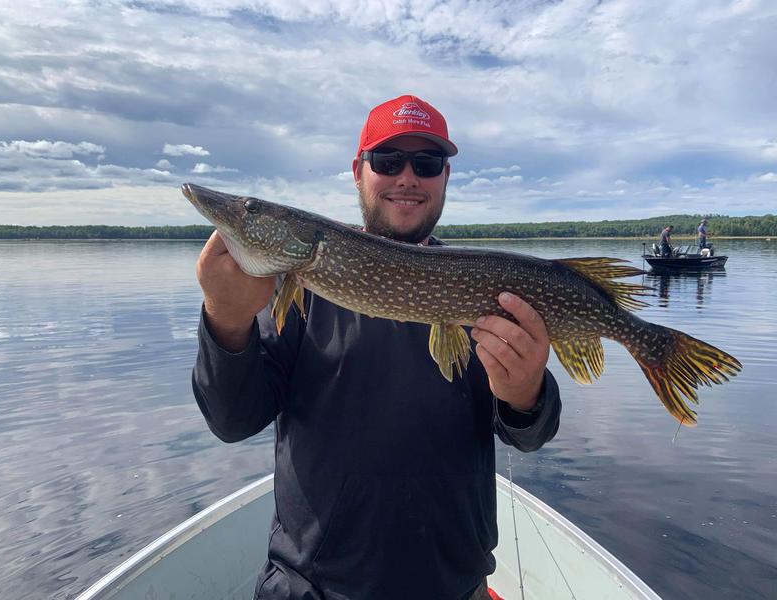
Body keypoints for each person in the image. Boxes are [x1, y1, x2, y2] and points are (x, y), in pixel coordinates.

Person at [192, 94, 562, 600]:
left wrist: (526, 394)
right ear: (358, 172)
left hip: (453, 587)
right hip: (311, 588)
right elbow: (232, 420)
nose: (407, 177)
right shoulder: (287, 291)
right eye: (387, 161)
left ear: (445, 178)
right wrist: (225, 320)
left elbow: (530, 435)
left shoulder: (484, 287)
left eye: (426, 163)